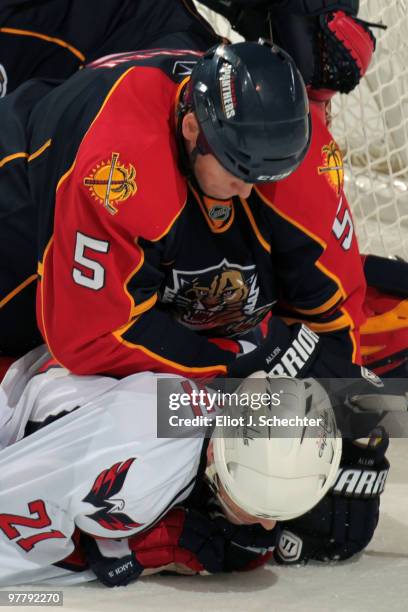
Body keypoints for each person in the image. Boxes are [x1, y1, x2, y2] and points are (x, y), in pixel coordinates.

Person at [0, 39, 369, 388]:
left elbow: (334, 314)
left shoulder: (303, 162)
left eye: (264, 176)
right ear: (192, 129)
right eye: (236, 170)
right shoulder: (118, 172)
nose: (247, 189)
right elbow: (86, 338)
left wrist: (337, 405)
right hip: (20, 197)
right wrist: (235, 367)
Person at [0, 348, 343, 586]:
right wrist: (140, 550)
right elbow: (24, 525)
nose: (270, 524)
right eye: (261, 504)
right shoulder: (142, 473)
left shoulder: (221, 410)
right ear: (215, 461)